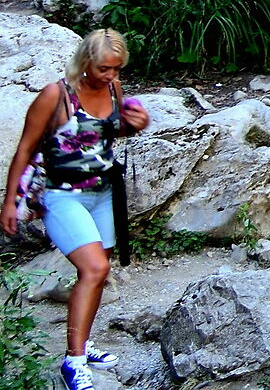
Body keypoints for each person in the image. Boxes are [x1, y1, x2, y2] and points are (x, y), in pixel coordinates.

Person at [3, 28, 151, 390]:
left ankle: (82, 345)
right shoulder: (55, 95)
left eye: (117, 69)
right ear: (85, 62)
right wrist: (9, 202)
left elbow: (105, 133)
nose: (111, 76)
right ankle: (73, 362)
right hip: (62, 195)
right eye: (104, 69)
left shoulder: (113, 89)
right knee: (95, 267)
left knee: (98, 274)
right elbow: (25, 149)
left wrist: (134, 124)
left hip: (104, 193)